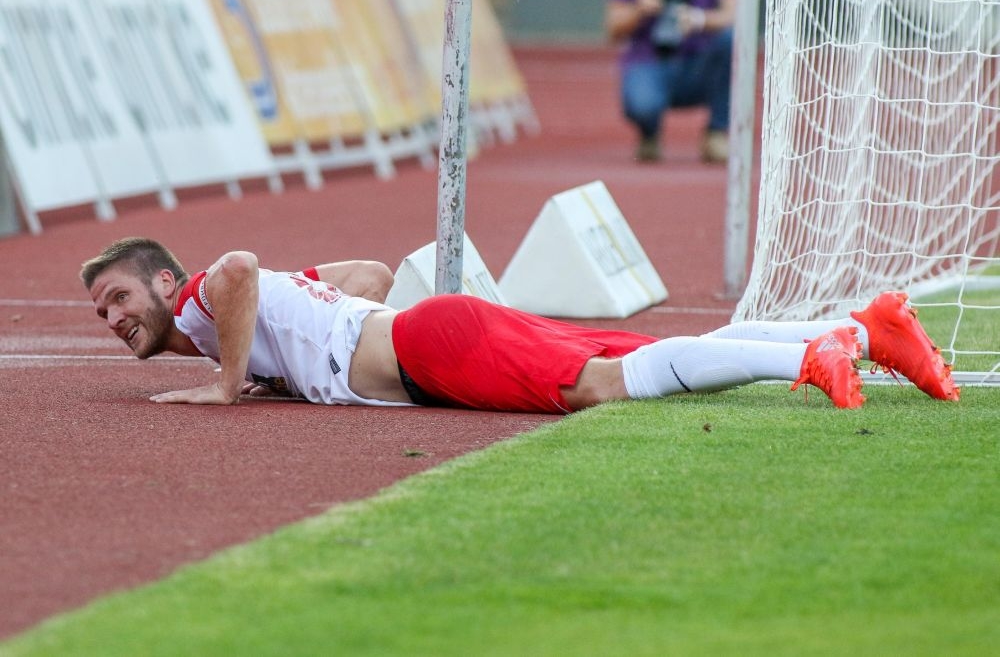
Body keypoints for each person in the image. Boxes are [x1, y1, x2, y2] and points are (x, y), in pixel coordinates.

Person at [80, 237, 959, 413]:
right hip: (430, 331)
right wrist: (280, 351)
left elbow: (234, 268)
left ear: (162, 280)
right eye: (102, 311)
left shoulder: (201, 296)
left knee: (607, 387)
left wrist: (228, 386)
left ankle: (809, 356)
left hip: (433, 349)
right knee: (637, 355)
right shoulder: (231, 312)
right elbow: (373, 275)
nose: (114, 317)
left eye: (120, 297)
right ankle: (866, 328)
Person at [606, 0, 736, 163]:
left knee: (730, 41)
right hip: (649, 63)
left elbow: (735, 16)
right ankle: (649, 134)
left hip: (700, 65)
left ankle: (717, 132)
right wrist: (640, 9)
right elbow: (613, 28)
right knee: (643, 104)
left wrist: (699, 19)